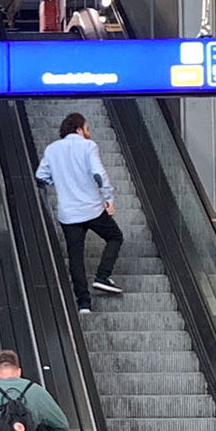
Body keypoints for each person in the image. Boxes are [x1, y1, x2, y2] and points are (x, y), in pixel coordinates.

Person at [35, 112, 124, 313]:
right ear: (78, 129)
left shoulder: (52, 149)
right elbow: (98, 173)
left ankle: (83, 303)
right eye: (87, 129)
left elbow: (41, 176)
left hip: (68, 214)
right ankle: (102, 275)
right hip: (92, 208)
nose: (89, 133)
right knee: (115, 237)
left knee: (75, 256)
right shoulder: (88, 146)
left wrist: (59, 181)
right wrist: (108, 198)